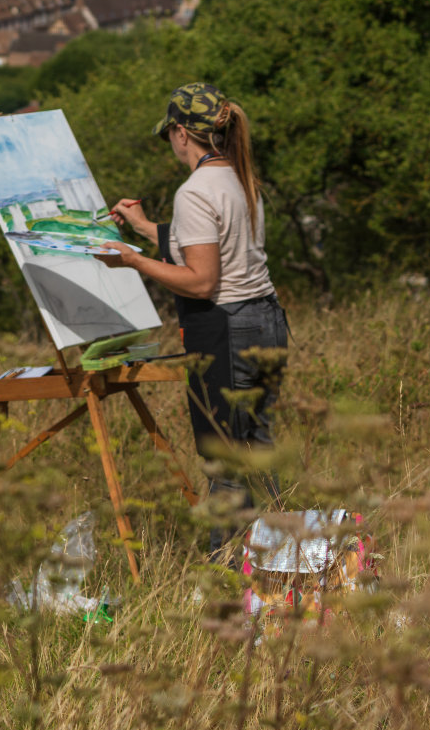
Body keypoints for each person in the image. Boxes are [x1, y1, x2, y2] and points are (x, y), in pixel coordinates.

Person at [96, 83, 288, 545]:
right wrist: (145, 229)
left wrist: (133, 259)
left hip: (227, 330)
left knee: (224, 461)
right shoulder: (240, 178)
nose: (171, 144)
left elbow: (202, 280)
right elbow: (209, 243)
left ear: (181, 132)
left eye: (170, 136)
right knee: (257, 451)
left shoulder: (195, 191)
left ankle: (226, 583)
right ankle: (284, 566)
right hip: (265, 320)